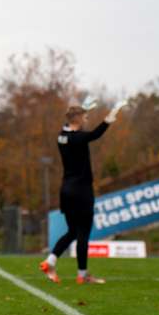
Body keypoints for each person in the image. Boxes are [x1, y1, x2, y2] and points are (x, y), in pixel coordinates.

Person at [39, 98, 126, 284]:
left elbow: (71, 125)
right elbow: (95, 134)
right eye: (85, 117)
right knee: (83, 234)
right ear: (78, 119)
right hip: (82, 191)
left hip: (66, 191)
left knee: (72, 231)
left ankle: (50, 261)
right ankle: (82, 274)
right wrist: (110, 117)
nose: (87, 120)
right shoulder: (78, 138)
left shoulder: (62, 136)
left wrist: (83, 109)